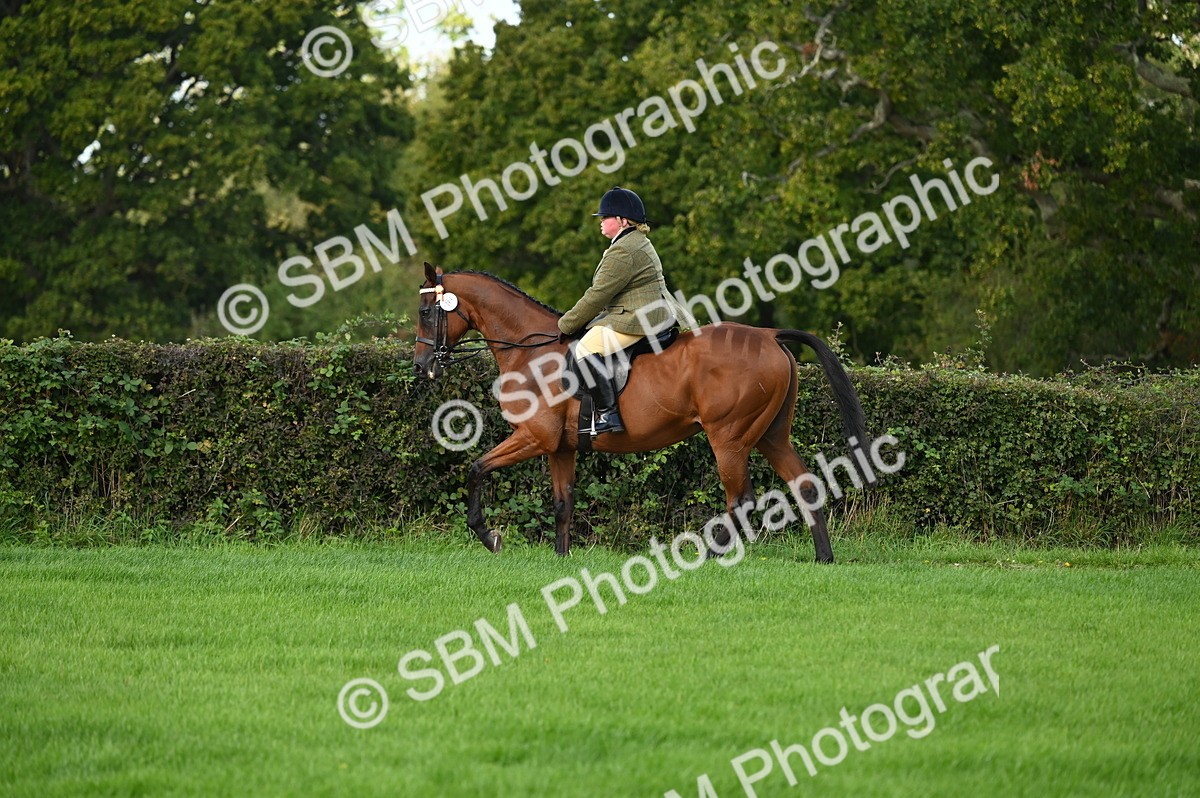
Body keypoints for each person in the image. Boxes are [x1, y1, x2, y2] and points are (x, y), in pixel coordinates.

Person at [557, 186, 686, 435]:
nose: (601, 222)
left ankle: (608, 413)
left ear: (622, 221)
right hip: (648, 310)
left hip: (640, 317)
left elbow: (597, 296)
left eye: (605, 217)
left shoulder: (624, 250)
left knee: (584, 349)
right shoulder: (631, 242)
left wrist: (566, 324)